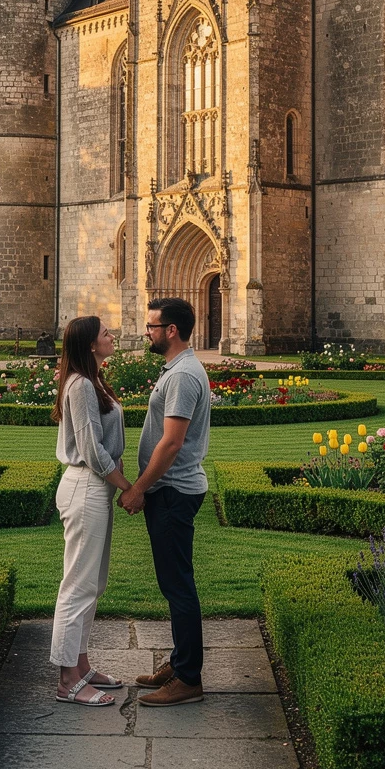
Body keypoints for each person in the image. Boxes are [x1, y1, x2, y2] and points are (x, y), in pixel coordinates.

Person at [119, 296, 211, 706]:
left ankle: (189, 678)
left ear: (171, 331)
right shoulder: (178, 369)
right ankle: (180, 662)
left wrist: (139, 488)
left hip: (172, 490)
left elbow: (171, 443)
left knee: (178, 586)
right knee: (173, 582)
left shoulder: (183, 376)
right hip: (170, 490)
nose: (147, 332)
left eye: (152, 326)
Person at [49, 315, 132, 706]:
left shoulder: (92, 380)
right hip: (85, 485)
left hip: (94, 487)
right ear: (89, 344)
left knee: (92, 584)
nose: (111, 336)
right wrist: (128, 487)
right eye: (105, 334)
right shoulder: (80, 385)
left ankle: (80, 665)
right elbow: (91, 449)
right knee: (78, 585)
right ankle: (67, 680)